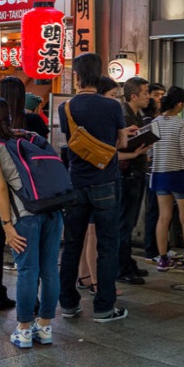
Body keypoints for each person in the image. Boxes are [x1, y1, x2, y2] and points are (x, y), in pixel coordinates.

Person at [0, 97, 63, 348]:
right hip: (53, 210)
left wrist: (6, 225)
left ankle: (24, 329)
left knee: (27, 271)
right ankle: (45, 328)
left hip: (25, 217)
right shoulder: (29, 136)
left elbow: (0, 188)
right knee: (49, 270)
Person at [59, 53, 129, 322]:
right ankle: (103, 307)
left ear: (76, 76)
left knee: (73, 244)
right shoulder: (111, 106)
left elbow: (71, 141)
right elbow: (121, 143)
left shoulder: (65, 108)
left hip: (76, 182)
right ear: (99, 75)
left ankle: (68, 303)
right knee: (108, 245)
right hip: (106, 181)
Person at [151, 86, 184, 273]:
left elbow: (150, 151)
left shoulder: (155, 122)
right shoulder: (181, 123)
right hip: (179, 174)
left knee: (163, 217)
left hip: (159, 174)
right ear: (180, 104)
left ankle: (163, 260)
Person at [76, 75, 121, 294]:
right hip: (101, 180)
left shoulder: (74, 109)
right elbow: (122, 144)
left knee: (84, 234)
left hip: (78, 180)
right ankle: (97, 283)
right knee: (97, 236)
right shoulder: (109, 110)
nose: (115, 100)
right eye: (112, 95)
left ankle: (84, 277)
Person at [117, 76, 151, 285]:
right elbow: (121, 145)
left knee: (129, 222)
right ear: (134, 96)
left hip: (136, 172)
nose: (149, 97)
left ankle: (127, 262)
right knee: (124, 223)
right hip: (127, 174)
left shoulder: (137, 114)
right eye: (146, 93)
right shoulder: (124, 115)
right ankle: (121, 267)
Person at [142, 82, 166, 262]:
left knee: (162, 212)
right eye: (157, 95)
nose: (160, 99)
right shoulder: (146, 120)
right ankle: (152, 250)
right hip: (151, 171)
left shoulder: (160, 118)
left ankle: (162, 248)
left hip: (161, 169)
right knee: (153, 212)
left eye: (162, 95)